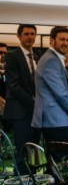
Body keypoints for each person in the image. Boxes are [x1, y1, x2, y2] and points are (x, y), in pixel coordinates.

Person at [31, 26, 68, 146]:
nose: (65, 43)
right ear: (52, 41)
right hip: (56, 121)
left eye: (67, 40)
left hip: (56, 120)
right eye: (62, 39)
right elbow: (60, 93)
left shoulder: (54, 59)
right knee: (64, 161)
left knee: (61, 161)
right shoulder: (50, 60)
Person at [3, 24, 41, 173]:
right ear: (19, 36)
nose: (30, 37)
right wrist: (34, 103)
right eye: (26, 34)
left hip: (36, 113)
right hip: (20, 113)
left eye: (32, 34)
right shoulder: (12, 56)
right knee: (22, 152)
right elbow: (14, 86)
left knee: (34, 151)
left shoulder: (37, 56)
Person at [0, 43, 7, 121]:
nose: (3, 55)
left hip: (7, 107)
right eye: (0, 52)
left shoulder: (9, 68)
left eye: (5, 53)